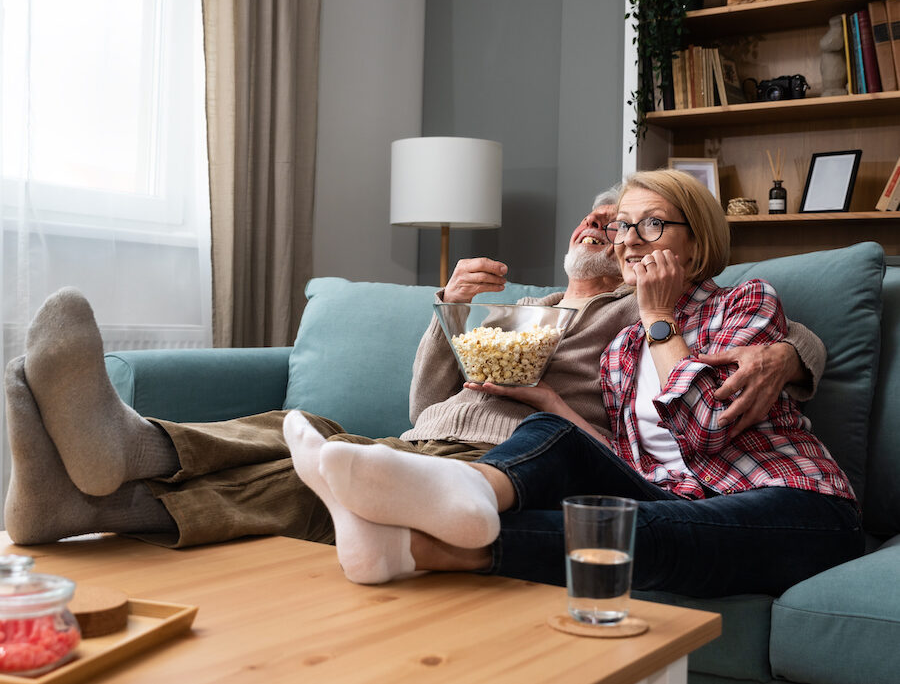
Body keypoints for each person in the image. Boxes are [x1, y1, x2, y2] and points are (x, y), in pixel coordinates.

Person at [4, 186, 821, 555]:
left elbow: (764, 333)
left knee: (312, 471)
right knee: (314, 438)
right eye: (600, 219)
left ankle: (112, 471)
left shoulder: (635, 319)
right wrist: (450, 311)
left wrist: (791, 357)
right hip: (431, 434)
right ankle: (102, 471)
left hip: (500, 456)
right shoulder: (524, 308)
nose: (608, 231)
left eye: (629, 226)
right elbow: (432, 400)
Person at [284, 169, 862, 594]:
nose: (630, 239)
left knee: (638, 531)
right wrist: (555, 404)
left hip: (793, 504)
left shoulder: (744, 302)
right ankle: (450, 505)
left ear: (698, 241)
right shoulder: (620, 349)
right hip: (670, 492)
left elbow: (705, 428)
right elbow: (625, 457)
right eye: (625, 228)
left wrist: (663, 317)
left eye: (653, 225)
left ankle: (423, 537)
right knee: (555, 433)